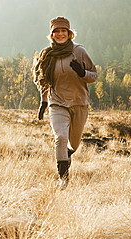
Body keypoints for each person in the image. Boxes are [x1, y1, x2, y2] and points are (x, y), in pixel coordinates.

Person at [32, 16, 98, 188]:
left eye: (63, 31)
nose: (60, 34)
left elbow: (94, 75)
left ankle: (66, 155)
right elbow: (44, 81)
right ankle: (63, 178)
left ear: (69, 34)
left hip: (79, 103)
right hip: (57, 103)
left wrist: (83, 73)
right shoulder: (47, 55)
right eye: (56, 31)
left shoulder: (79, 51)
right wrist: (44, 101)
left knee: (73, 144)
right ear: (52, 35)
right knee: (60, 137)